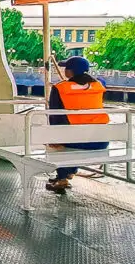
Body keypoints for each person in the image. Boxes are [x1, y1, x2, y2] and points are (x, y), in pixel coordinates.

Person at [46, 56, 109, 194]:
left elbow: (54, 115)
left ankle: (62, 178)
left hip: (77, 139)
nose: (64, 71)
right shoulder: (99, 85)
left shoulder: (60, 88)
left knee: (59, 143)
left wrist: (53, 138)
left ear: (70, 71)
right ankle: (70, 171)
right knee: (73, 138)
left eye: (66, 68)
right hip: (100, 141)